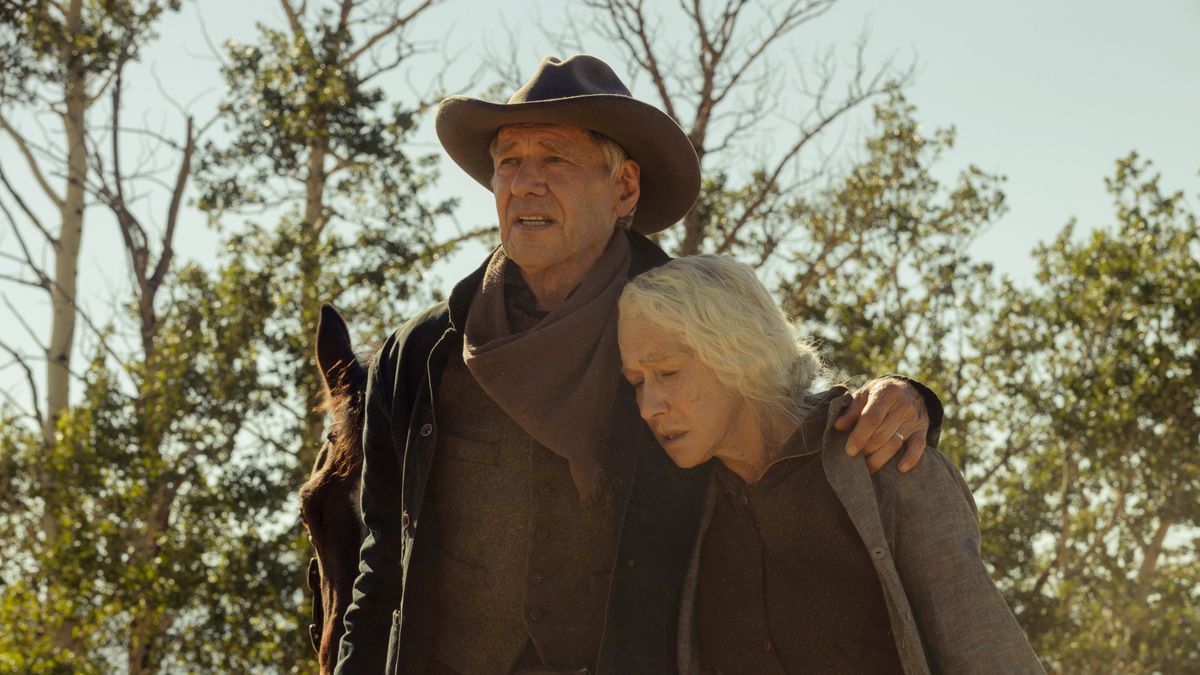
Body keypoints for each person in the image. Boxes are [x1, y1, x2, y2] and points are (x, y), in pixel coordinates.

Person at [335, 54, 942, 674]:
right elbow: (382, 560)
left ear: (624, 188)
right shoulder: (420, 354)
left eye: (554, 158)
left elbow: (782, 410)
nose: (524, 183)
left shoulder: (682, 330)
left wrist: (908, 396)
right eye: (508, 161)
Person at [616, 255, 1043, 674]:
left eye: (667, 372)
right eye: (637, 382)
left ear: (736, 351)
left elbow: (987, 651)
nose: (647, 407)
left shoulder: (883, 461)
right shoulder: (678, 503)